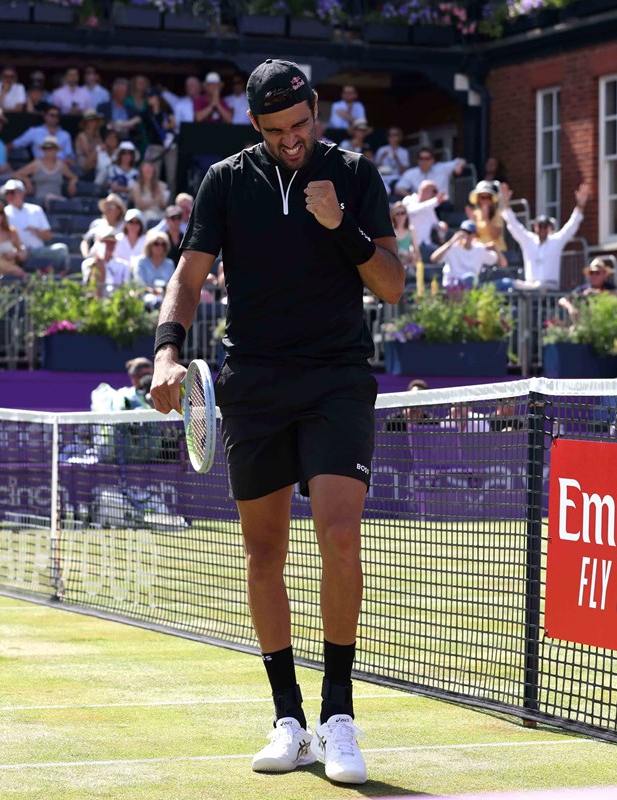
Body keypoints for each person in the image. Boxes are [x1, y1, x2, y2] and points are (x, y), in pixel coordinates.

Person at [150, 59, 402, 786]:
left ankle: (340, 716)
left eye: (301, 126)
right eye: (275, 131)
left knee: (339, 530)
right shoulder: (226, 182)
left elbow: (391, 282)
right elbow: (189, 277)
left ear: (315, 109)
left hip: (338, 378)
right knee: (264, 551)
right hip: (253, 381)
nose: (292, 141)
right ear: (255, 126)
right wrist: (167, 353)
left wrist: (342, 227)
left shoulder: (353, 174)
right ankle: (289, 719)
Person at [498, 180, 589, 290]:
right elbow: (514, 225)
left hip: (549, 286)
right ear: (535, 228)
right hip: (530, 287)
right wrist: (505, 205)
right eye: (539, 226)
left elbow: (571, 226)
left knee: (538, 286)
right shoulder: (528, 240)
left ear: (550, 228)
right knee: (508, 284)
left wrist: (580, 205)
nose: (542, 229)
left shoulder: (556, 241)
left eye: (545, 226)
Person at [0, 179, 68, 271]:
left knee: (62, 249)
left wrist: (35, 230)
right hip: (17, 252)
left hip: (38, 250)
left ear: (22, 193)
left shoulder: (35, 210)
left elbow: (48, 236)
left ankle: (60, 276)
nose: (9, 196)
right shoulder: (3, 213)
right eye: (6, 193)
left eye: (12, 192)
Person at [430, 220, 501, 289]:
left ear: (474, 235)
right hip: (452, 288)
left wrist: (495, 248)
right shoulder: (451, 248)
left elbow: (499, 261)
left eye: (469, 232)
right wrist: (451, 241)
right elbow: (434, 258)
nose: (465, 235)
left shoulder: (479, 248)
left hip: (471, 288)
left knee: (470, 279)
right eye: (463, 232)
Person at [12, 136, 78, 206]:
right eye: (46, 149)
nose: (48, 151)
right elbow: (16, 174)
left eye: (51, 149)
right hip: (40, 201)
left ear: (56, 150)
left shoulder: (61, 165)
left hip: (57, 203)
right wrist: (27, 181)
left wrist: (72, 183)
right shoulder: (37, 164)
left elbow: (74, 177)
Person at [401, 180, 447, 264]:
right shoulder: (409, 200)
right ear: (425, 190)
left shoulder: (430, 207)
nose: (435, 194)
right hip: (409, 245)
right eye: (434, 191)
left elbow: (436, 225)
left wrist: (441, 226)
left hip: (427, 245)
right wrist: (435, 201)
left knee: (444, 256)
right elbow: (413, 210)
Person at [394, 148, 465, 200]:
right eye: (421, 158)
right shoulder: (410, 173)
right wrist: (412, 197)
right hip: (420, 205)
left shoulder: (442, 168)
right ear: (418, 160)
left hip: (441, 203)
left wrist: (458, 166)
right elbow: (398, 189)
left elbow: (461, 160)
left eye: (427, 158)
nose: (424, 161)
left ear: (432, 160)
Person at [11, 105, 76, 162]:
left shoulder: (65, 135)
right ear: (45, 116)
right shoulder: (34, 131)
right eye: (52, 115)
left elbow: (69, 153)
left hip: (61, 166)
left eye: (57, 116)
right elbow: (16, 144)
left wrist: (69, 159)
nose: (54, 118)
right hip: (40, 165)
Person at [132, 229, 175, 308]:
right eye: (156, 244)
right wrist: (152, 291)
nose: (160, 247)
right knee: (154, 302)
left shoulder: (169, 264)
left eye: (163, 244)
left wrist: (163, 291)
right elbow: (139, 283)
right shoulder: (141, 262)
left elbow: (172, 284)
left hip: (165, 298)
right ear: (150, 245)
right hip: (144, 297)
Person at [468, 180, 505, 254]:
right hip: (479, 251)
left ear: (491, 199)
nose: (485, 200)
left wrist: (486, 219)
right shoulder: (475, 214)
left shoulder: (498, 214)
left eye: (488, 197)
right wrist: (472, 222)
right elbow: (473, 236)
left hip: (496, 251)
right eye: (482, 197)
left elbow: (495, 235)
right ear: (478, 199)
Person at [128, 159, 169, 224]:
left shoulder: (161, 185)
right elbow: (140, 206)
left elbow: (164, 206)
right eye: (146, 168)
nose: (148, 170)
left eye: (150, 168)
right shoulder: (136, 186)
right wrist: (155, 200)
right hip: (143, 216)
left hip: (159, 215)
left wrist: (160, 195)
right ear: (141, 171)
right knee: (149, 215)